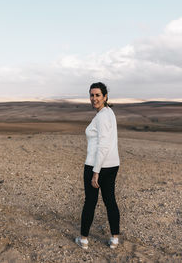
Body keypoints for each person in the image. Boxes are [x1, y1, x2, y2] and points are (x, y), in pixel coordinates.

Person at [75, 82, 121, 250]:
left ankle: (84, 239)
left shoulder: (102, 116)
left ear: (105, 97)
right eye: (92, 95)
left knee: (90, 202)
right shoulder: (109, 112)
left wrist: (96, 172)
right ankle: (115, 239)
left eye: (97, 95)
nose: (94, 98)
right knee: (110, 201)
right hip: (112, 164)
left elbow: (103, 145)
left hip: (96, 165)